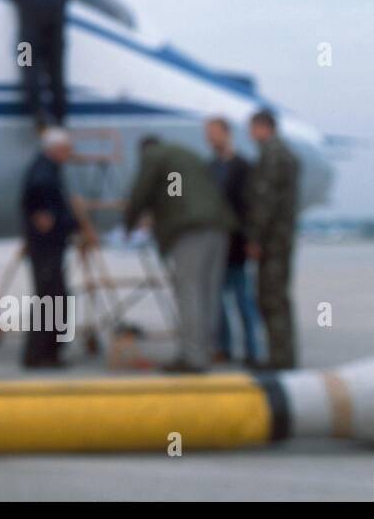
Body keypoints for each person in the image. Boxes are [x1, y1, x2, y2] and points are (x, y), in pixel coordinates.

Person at [123, 135, 236, 373]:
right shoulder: (186, 155)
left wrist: (128, 224)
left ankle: (192, 358)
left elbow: (141, 192)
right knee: (209, 294)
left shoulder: (153, 157)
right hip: (218, 228)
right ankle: (205, 352)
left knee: (189, 291)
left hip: (190, 231)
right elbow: (178, 191)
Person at [18, 127, 93, 368]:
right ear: (56, 149)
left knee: (53, 298)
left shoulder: (46, 169)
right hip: (47, 247)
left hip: (48, 245)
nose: (71, 154)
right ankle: (42, 353)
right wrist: (62, 220)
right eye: (67, 149)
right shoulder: (44, 173)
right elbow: (39, 199)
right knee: (51, 299)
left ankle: (45, 352)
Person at [245, 109, 300, 370]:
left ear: (263, 127)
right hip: (280, 238)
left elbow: (264, 202)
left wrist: (255, 238)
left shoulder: (273, 155)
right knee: (278, 297)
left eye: (253, 129)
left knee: (271, 297)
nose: (251, 135)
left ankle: (279, 359)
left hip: (272, 241)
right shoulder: (283, 153)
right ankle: (283, 356)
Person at [204, 116, 258, 364]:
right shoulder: (210, 167)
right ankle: (224, 348)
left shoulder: (243, 167)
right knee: (217, 300)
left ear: (227, 133)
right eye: (208, 133)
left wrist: (252, 239)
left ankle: (252, 350)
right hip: (216, 244)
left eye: (214, 132)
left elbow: (251, 207)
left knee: (242, 298)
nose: (210, 138)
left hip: (237, 242)